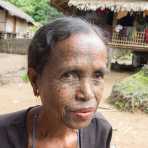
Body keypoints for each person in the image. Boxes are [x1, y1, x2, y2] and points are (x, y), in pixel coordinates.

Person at [0, 17, 112, 148]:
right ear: (35, 80)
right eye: (69, 75)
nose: (87, 94)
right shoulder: (4, 135)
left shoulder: (99, 131)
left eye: (98, 75)